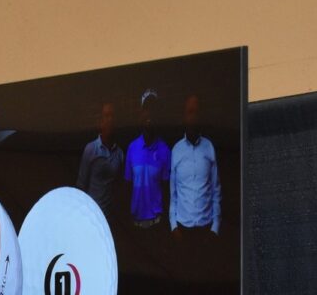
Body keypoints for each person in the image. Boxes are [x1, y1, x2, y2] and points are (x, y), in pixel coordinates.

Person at [170, 94, 222, 235]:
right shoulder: (176, 150)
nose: (193, 117)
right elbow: (173, 194)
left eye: (196, 113)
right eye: (190, 112)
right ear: (184, 117)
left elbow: (216, 190)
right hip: (182, 229)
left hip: (206, 229)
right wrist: (173, 225)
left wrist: (215, 227)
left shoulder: (209, 147)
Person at [124, 88, 171, 227]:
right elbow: (127, 187)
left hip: (157, 222)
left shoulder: (165, 150)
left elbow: (167, 190)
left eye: (153, 109)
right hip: (135, 223)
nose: (149, 113)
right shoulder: (132, 148)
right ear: (141, 113)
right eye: (146, 109)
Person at [77, 101, 125, 223]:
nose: (109, 120)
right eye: (106, 116)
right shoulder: (91, 149)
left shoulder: (120, 154)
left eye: (112, 116)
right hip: (91, 217)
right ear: (100, 121)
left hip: (110, 220)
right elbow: (81, 185)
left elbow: (118, 187)